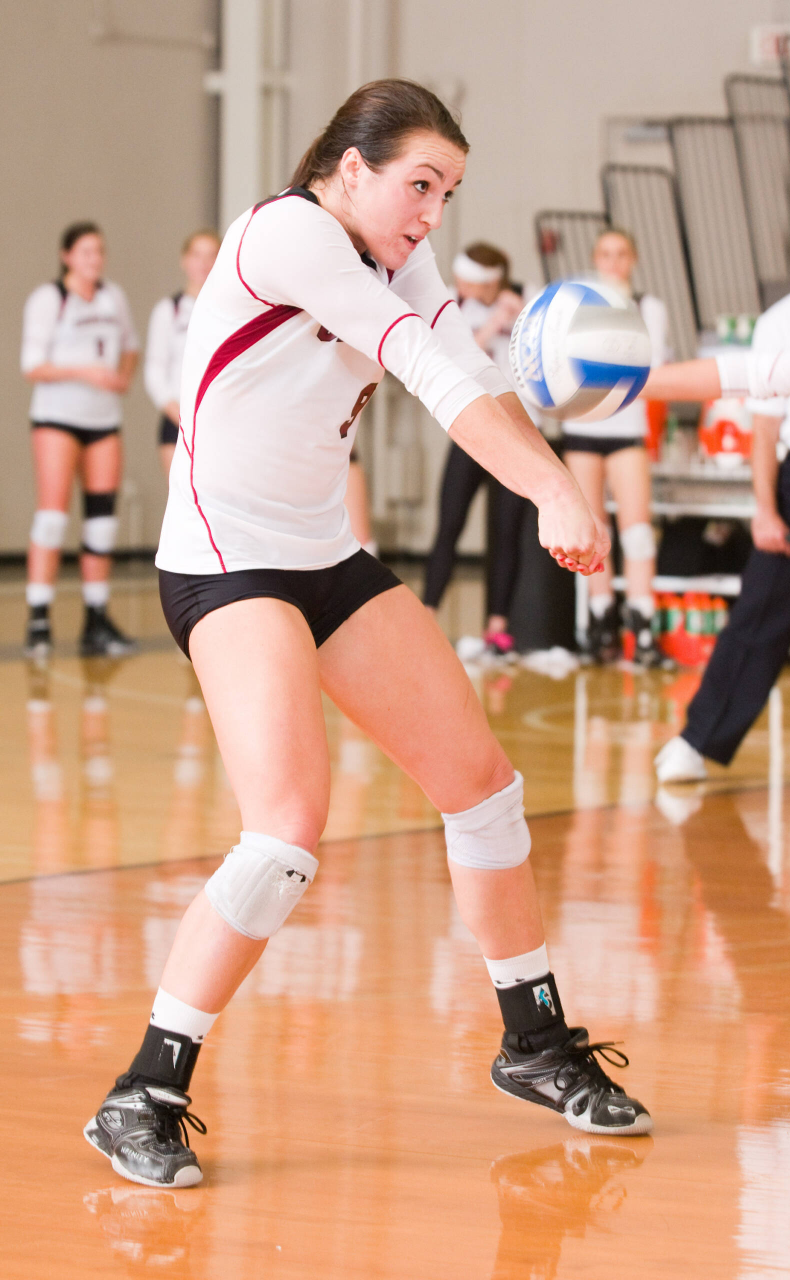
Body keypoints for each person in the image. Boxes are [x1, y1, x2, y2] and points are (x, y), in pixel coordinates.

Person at [83, 79, 650, 1190]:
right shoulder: (288, 234)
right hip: (226, 560)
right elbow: (426, 370)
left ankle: (534, 1041)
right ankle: (142, 1090)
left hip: (322, 553)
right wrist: (552, 490)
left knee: (483, 788)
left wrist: (556, 479)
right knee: (286, 829)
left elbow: (473, 371)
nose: (432, 213)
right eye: (419, 185)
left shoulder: (401, 255)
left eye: (448, 193)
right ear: (351, 168)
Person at [646, 197, 790, 782]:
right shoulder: (787, 322)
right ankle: (697, 740)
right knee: (760, 615)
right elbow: (750, 386)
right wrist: (636, 384)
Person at [20, 222, 140, 658]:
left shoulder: (112, 297)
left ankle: (96, 618)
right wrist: (85, 372)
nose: (95, 259)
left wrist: (122, 375)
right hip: (57, 418)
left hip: (103, 420)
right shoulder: (49, 299)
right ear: (67, 255)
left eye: (99, 251)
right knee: (52, 518)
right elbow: (32, 365)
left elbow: (131, 345)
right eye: (86, 251)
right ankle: (38, 617)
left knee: (102, 522)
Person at [561, 228, 672, 666]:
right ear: (595, 258)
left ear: (633, 259)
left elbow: (653, 367)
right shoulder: (576, 307)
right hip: (583, 428)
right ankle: (601, 620)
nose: (613, 261)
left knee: (637, 531)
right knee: (589, 531)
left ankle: (642, 625)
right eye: (605, 254)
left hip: (627, 430)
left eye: (621, 253)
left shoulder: (648, 307)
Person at [422, 243, 529, 654]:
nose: (461, 284)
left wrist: (516, 315)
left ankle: (497, 628)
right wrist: (493, 323)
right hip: (471, 430)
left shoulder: (525, 298)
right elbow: (453, 355)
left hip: (516, 435)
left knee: (506, 532)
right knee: (449, 524)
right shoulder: (453, 304)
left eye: (468, 280)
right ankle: (427, 615)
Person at [144, 230, 221, 477]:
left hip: (221, 419)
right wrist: (179, 413)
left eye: (211, 255)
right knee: (182, 494)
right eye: (197, 255)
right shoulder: (169, 310)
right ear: (184, 260)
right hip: (179, 420)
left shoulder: (231, 310)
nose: (204, 263)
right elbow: (155, 370)